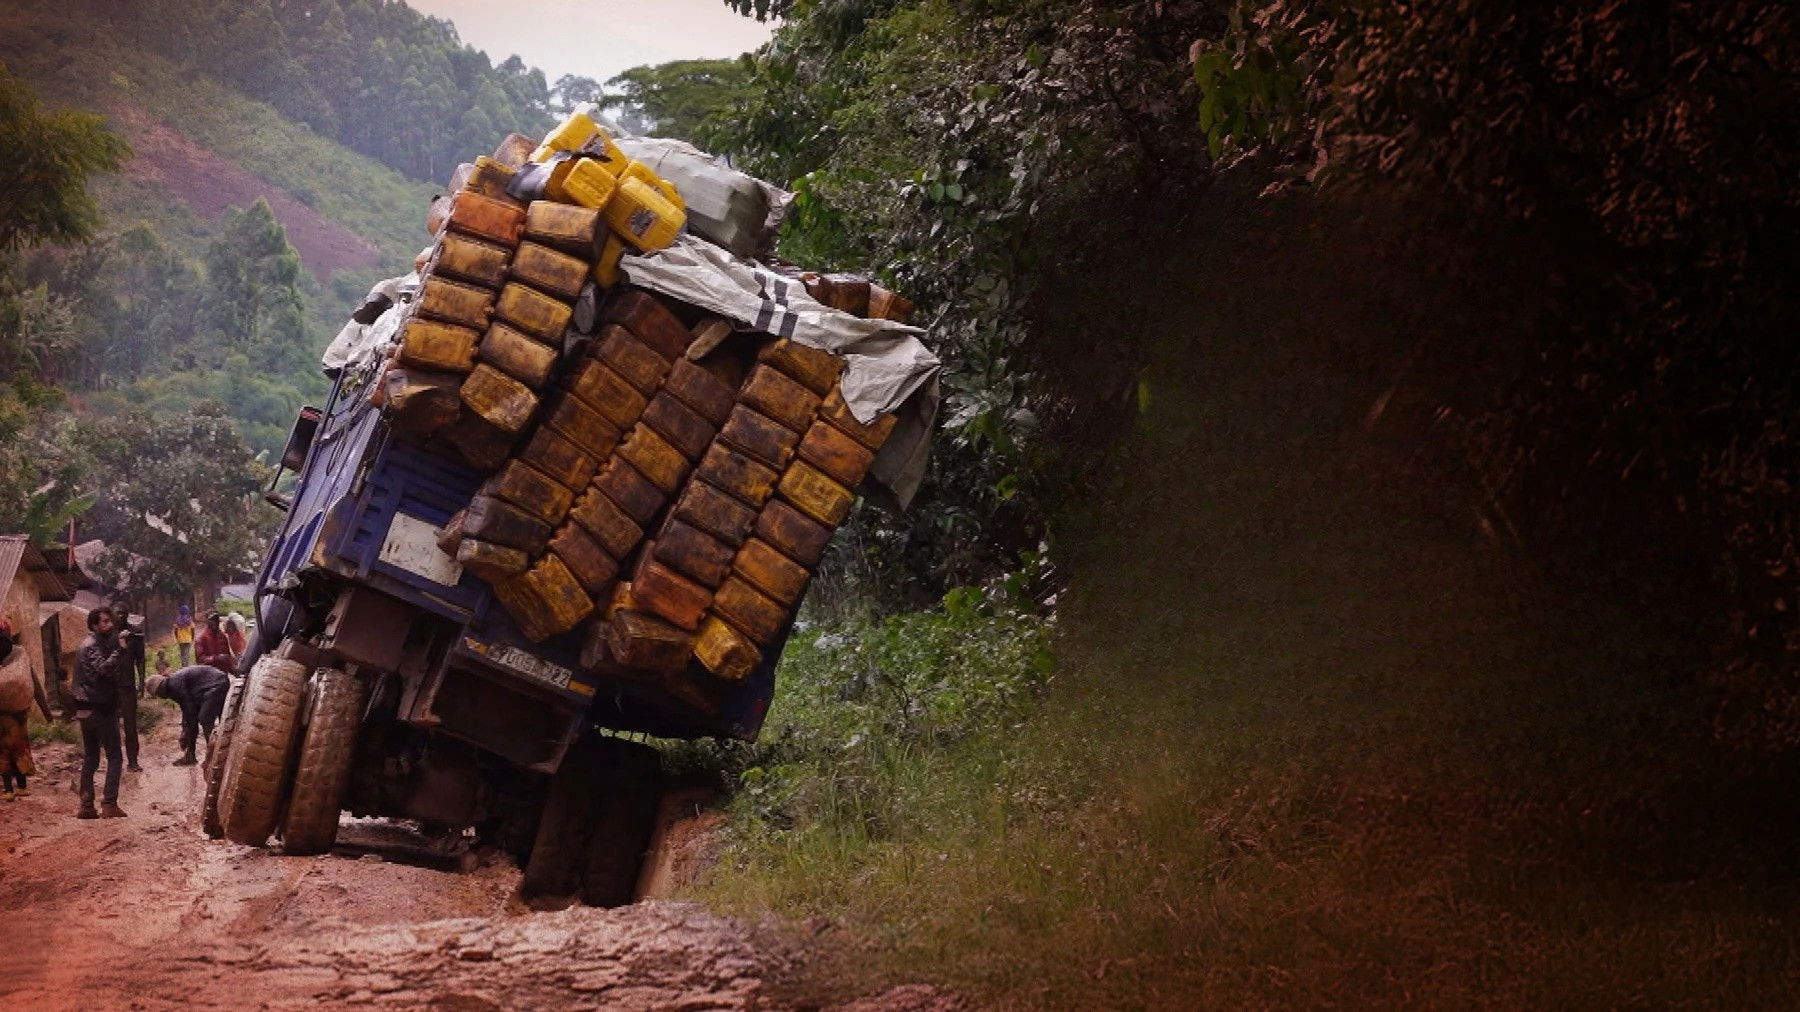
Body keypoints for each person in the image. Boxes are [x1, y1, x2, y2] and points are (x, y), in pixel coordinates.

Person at [73, 606, 131, 819]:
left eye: (110, 621)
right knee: (115, 756)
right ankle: (109, 804)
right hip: (99, 708)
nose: (110, 625)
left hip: (86, 708)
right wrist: (121, 650)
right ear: (94, 625)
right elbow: (104, 669)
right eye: (105, 622)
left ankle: (87, 806)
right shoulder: (92, 646)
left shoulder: (91, 644)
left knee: (91, 757)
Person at [0, 618, 55, 802]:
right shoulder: (19, 654)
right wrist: (47, 712)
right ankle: (22, 786)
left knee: (3, 750)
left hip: (1, 713)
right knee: (19, 747)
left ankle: (8, 790)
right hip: (18, 713)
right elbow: (35, 685)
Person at [144, 665, 231, 767]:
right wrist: (185, 730)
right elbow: (188, 711)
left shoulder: (174, 687)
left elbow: (191, 714)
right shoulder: (173, 684)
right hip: (215, 683)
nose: (161, 697)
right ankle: (200, 754)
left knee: (205, 718)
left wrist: (186, 733)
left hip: (216, 684)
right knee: (210, 718)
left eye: (158, 694)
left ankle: (213, 756)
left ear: (160, 690)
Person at [116, 616, 146, 772]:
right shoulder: (107, 635)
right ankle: (114, 762)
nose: (119, 616)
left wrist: (141, 682)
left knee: (130, 726)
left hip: (127, 686)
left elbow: (140, 660)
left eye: (122, 613)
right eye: (116, 613)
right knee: (111, 726)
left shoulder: (134, 636)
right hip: (109, 687)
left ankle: (133, 761)